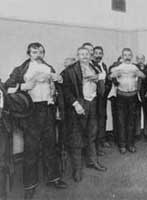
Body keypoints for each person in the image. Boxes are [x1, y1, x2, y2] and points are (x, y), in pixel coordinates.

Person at [4, 42, 67, 200]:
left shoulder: (49, 67)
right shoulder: (21, 69)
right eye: (34, 52)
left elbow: (59, 88)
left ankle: (54, 178)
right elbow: (8, 87)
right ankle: (29, 186)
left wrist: (58, 79)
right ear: (29, 54)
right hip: (31, 112)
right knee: (31, 150)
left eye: (40, 52)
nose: (38, 54)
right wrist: (26, 85)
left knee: (51, 145)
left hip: (48, 109)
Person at [62, 47, 107, 183]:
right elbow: (65, 90)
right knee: (77, 138)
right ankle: (77, 169)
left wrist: (99, 78)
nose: (85, 56)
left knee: (92, 134)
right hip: (80, 106)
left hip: (93, 103)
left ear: (90, 55)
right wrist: (75, 104)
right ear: (78, 56)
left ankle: (93, 161)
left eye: (87, 54)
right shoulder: (70, 70)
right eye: (81, 54)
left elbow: (101, 81)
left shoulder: (95, 67)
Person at [109, 48, 145, 154]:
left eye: (129, 55)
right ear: (122, 56)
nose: (127, 57)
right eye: (125, 55)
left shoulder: (134, 66)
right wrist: (116, 73)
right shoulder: (118, 67)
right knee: (121, 121)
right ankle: (122, 145)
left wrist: (137, 73)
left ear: (131, 56)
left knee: (131, 122)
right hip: (121, 97)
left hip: (133, 96)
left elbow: (143, 76)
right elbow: (110, 77)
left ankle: (130, 144)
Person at [93, 46, 111, 156]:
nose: (98, 55)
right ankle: (96, 144)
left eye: (100, 53)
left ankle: (102, 139)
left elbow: (107, 80)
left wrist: (107, 89)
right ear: (92, 54)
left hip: (103, 97)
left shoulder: (103, 65)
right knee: (95, 120)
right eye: (96, 53)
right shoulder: (91, 65)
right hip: (95, 97)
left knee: (103, 117)